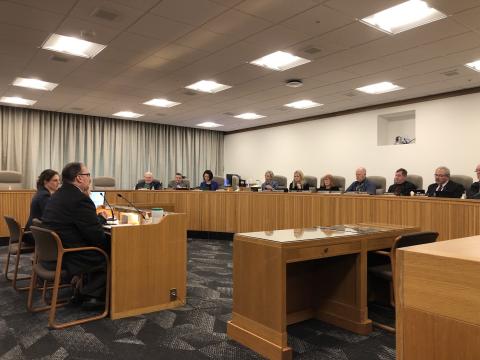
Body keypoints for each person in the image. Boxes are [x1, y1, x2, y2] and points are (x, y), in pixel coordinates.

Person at [42, 162, 109, 309]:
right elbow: (97, 236)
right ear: (79, 178)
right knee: (112, 250)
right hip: (72, 254)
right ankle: (92, 296)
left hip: (56, 252)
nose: (90, 179)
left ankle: (84, 290)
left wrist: (97, 220)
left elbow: (81, 222)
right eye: (88, 175)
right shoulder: (80, 199)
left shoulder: (57, 194)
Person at [23, 169, 60, 244]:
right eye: (55, 180)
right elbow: (50, 216)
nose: (58, 183)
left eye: (59, 180)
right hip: (35, 235)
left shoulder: (41, 192)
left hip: (33, 232)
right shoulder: (44, 195)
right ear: (46, 181)